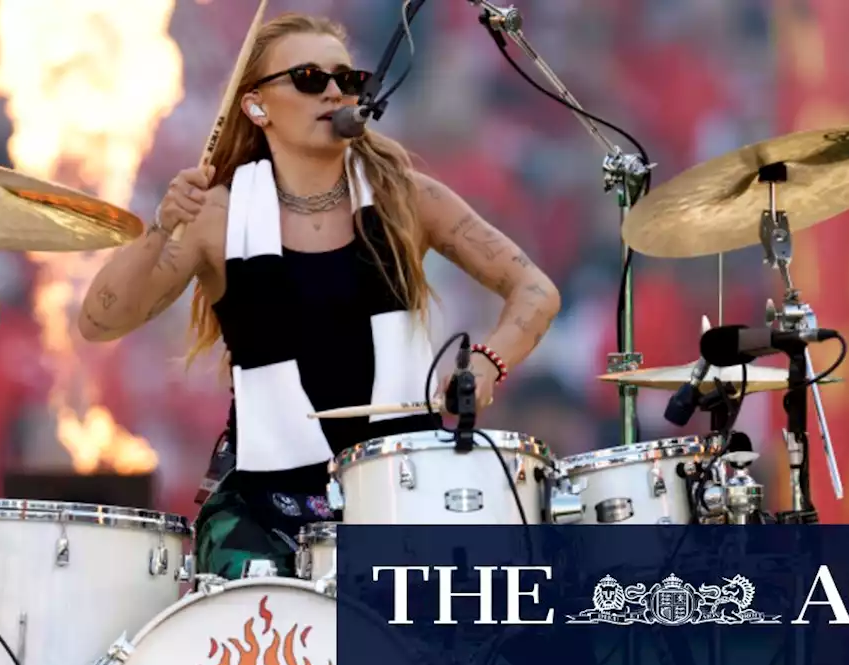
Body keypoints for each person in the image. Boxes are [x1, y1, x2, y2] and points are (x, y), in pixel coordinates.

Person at [78, 13, 561, 579]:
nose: (334, 90)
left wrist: (486, 361)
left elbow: (534, 288)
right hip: (267, 501)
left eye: (347, 79)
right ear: (257, 107)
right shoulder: (218, 216)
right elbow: (99, 320)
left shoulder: (403, 197)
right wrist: (161, 226)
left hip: (399, 486)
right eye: (309, 77)